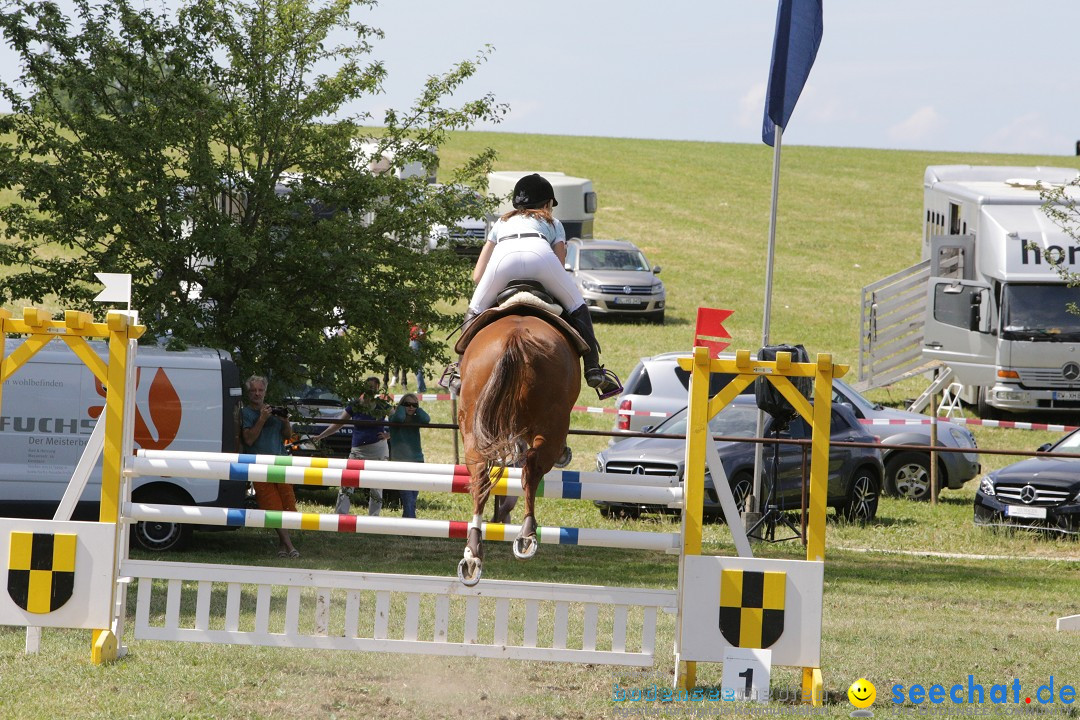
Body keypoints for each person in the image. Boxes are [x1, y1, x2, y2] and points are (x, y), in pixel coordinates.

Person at [442, 173, 621, 399]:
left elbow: (478, 275)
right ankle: (593, 369)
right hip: (541, 256)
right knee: (577, 305)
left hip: (502, 261)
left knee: (475, 308)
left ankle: (458, 371)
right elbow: (559, 263)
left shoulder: (501, 222)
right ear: (546, 204)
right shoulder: (554, 223)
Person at [240, 375, 300, 558]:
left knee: (287, 504)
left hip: (280, 461)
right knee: (271, 505)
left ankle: (282, 546)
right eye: (253, 391)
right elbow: (249, 440)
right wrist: (262, 419)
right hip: (259, 465)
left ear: (265, 391)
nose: (257, 394)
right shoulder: (246, 413)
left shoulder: (272, 410)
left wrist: (285, 421)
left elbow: (287, 435)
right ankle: (290, 546)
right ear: (248, 393)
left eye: (260, 390)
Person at [314, 376, 392, 516]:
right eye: (368, 387)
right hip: (357, 450)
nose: (370, 390)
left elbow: (398, 420)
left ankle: (374, 517)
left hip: (378, 449)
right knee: (348, 481)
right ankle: (340, 514)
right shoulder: (354, 405)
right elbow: (338, 424)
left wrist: (389, 434)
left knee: (376, 485)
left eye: (373, 387)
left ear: (377, 389)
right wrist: (320, 436)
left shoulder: (382, 404)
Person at [387, 393, 430, 518]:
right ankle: (412, 523)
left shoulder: (417, 418)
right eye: (407, 404)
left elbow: (427, 419)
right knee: (407, 496)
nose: (411, 407)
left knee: (412, 496)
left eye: (414, 405)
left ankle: (407, 521)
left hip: (417, 460)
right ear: (401, 405)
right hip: (400, 461)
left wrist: (418, 409)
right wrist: (400, 408)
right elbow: (399, 418)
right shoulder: (394, 417)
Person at [409, 322, 427, 393]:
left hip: (414, 341)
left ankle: (421, 388)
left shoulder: (413, 321)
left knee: (417, 367)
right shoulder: (421, 323)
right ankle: (422, 387)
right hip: (418, 342)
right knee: (418, 367)